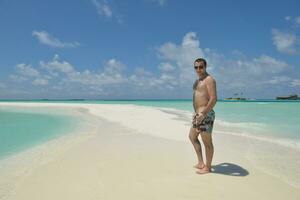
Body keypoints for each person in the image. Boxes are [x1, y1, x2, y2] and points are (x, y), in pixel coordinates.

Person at [189, 58, 217, 174]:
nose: (199, 69)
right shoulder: (197, 81)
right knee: (192, 137)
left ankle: (208, 167)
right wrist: (196, 114)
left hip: (205, 115)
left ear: (205, 67)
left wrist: (203, 113)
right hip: (198, 115)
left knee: (207, 143)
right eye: (196, 67)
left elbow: (214, 99)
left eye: (201, 67)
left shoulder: (209, 80)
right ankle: (201, 162)